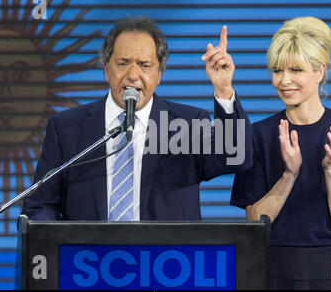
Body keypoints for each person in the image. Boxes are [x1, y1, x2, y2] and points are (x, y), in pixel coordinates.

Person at [21, 16, 252, 221]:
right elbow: (40, 204)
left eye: (144, 65)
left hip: (169, 264)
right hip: (89, 262)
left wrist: (224, 90)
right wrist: (59, 243)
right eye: (123, 63)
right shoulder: (66, 128)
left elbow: (234, 158)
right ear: (105, 69)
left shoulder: (188, 124)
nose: (132, 75)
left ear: (159, 74)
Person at [230, 17, 331, 289]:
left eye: (296, 69)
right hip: (272, 269)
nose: (285, 81)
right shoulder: (258, 135)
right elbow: (255, 221)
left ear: (320, 71)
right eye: (277, 70)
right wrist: (289, 174)